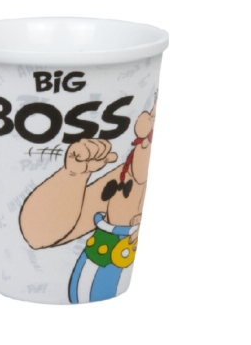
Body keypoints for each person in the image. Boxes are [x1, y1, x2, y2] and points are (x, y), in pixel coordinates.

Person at [19, 101, 157, 303]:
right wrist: (72, 176)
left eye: (151, 116)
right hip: (88, 284)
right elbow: (38, 234)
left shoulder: (128, 178)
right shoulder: (120, 182)